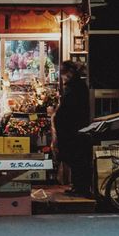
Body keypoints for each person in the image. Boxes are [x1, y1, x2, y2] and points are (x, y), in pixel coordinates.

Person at [53, 59, 92, 198]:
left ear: (69, 72)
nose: (62, 76)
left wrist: (58, 117)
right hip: (74, 129)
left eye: (63, 73)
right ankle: (77, 186)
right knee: (76, 159)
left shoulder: (75, 87)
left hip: (74, 130)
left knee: (76, 159)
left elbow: (69, 110)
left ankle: (80, 187)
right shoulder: (77, 86)